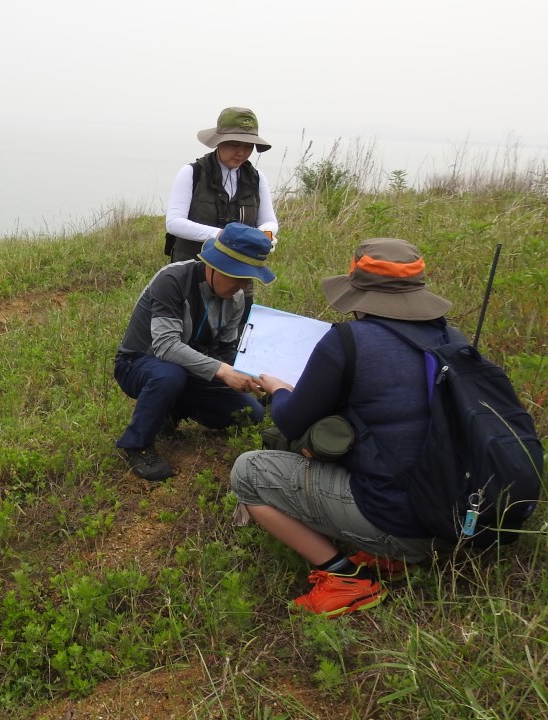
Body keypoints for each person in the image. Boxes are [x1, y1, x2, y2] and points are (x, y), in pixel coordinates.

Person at [229, 238, 463, 617]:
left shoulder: (349, 341)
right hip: (451, 517)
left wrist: (281, 390)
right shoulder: (452, 338)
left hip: (398, 521)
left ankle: (345, 577)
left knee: (249, 472)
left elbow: (289, 422)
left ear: (360, 291)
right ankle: (393, 557)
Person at [114, 223, 275, 482]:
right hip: (141, 362)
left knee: (252, 414)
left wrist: (246, 373)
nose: (243, 286)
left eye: (249, 280)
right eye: (239, 276)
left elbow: (225, 347)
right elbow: (165, 345)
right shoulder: (173, 280)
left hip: (192, 368)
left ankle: (173, 410)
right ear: (216, 265)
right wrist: (223, 371)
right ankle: (137, 445)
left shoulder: (236, 299)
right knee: (169, 375)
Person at [165, 107, 280, 265]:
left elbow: (268, 220)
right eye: (234, 144)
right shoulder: (192, 173)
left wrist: (265, 233)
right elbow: (174, 223)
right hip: (191, 269)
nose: (241, 152)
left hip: (239, 270)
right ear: (219, 141)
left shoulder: (257, 178)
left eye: (248, 146)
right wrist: (223, 235)